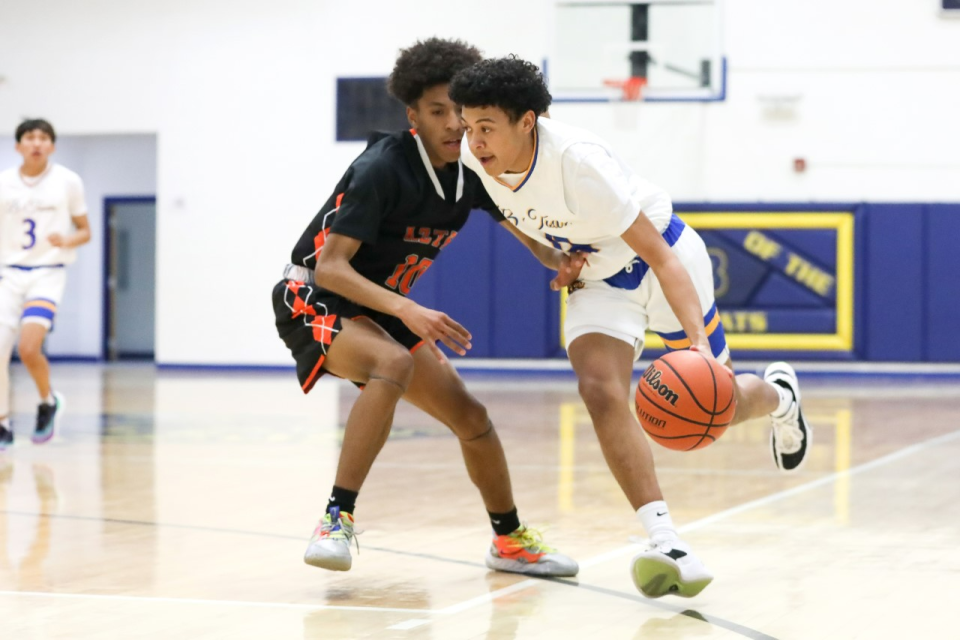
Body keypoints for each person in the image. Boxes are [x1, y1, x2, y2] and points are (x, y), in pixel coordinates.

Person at [451, 56, 811, 598]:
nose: (474, 141)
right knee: (599, 390)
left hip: (663, 260)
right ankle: (665, 539)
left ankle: (780, 398)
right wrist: (552, 257)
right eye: (468, 126)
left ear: (528, 121)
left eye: (486, 128)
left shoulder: (578, 163)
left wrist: (698, 349)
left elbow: (662, 260)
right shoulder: (473, 157)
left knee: (718, 405)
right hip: (595, 277)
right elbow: (510, 212)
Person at [271, 39, 577, 577]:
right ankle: (335, 520)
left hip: (378, 307)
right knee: (393, 362)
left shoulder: (473, 173)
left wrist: (560, 259)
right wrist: (410, 311)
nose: (454, 125)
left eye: (460, 112)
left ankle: (509, 543)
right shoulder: (382, 168)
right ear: (413, 115)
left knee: (473, 419)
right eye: (438, 112)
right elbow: (332, 268)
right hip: (312, 294)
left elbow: (523, 230)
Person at [0, 119, 91, 451]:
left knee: (27, 348)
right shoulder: (4, 183)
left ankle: (47, 401)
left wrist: (67, 240)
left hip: (48, 272)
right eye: (29, 137)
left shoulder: (68, 181)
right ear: (18, 146)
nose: (36, 143)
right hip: (10, 273)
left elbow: (86, 230)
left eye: (43, 138)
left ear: (51, 146)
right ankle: (3, 423)